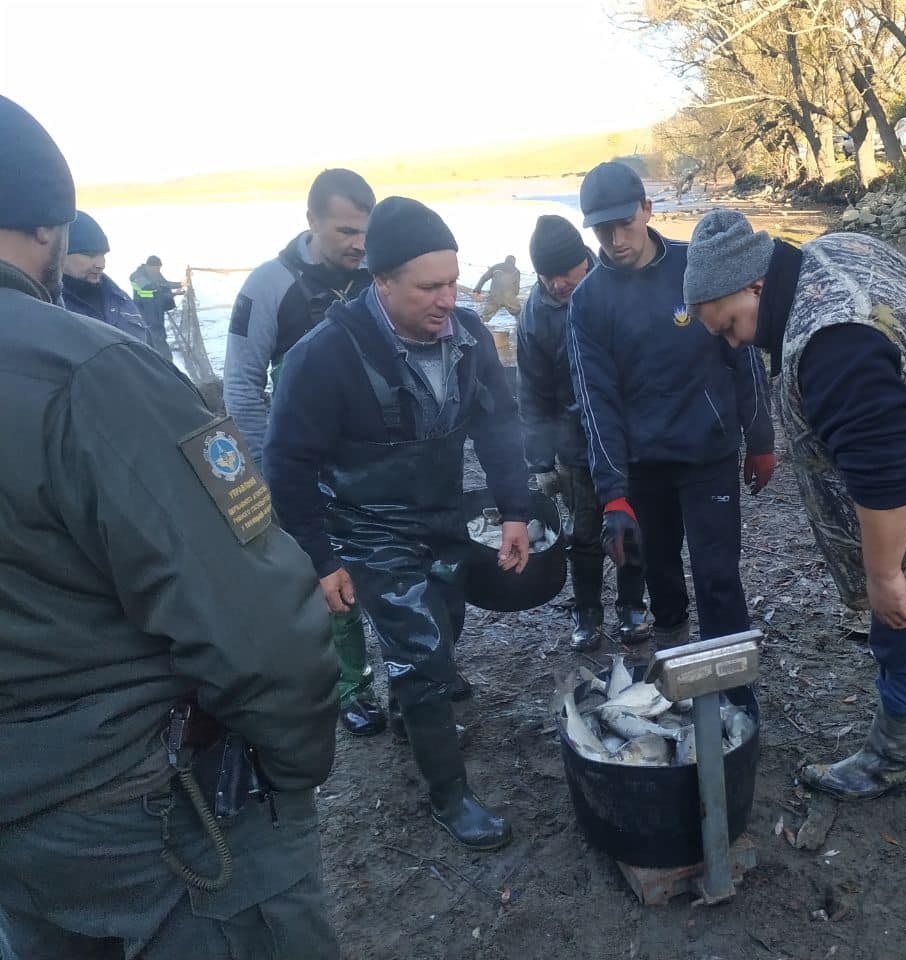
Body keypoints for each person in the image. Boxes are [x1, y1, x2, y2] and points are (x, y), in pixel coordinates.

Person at [0, 94, 341, 958]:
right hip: (150, 819)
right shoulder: (90, 375)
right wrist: (296, 772)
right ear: (48, 224)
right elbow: (257, 618)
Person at [684, 209, 906, 800]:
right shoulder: (837, 251)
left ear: (753, 285)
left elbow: (885, 471)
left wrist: (883, 575)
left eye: (728, 325)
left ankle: (891, 761)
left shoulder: (830, 338)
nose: (735, 342)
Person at [265, 197, 530, 851]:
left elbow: (498, 428)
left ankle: (413, 710)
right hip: (365, 524)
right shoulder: (323, 356)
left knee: (446, 624)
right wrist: (320, 558)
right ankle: (450, 796)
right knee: (416, 647)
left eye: (452, 282)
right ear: (381, 282)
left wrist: (517, 509)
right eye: (428, 287)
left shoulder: (467, 337)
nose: (447, 299)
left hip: (441, 513)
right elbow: (288, 464)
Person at [568, 161, 775, 650]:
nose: (616, 239)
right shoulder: (588, 301)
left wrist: (760, 437)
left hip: (710, 455)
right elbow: (596, 402)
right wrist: (612, 492)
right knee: (660, 578)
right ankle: (676, 678)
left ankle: (734, 695)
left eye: (624, 222)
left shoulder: (693, 268)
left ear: (646, 208)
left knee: (717, 576)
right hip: (644, 467)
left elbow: (742, 352)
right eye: (602, 229)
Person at [224, 168, 386, 738]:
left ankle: (416, 668)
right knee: (331, 576)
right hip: (303, 458)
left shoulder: (375, 274)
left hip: (374, 454)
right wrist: (272, 467)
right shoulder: (268, 285)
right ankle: (352, 686)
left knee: (394, 562)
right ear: (311, 219)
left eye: (365, 231)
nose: (358, 244)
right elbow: (242, 385)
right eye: (344, 230)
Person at [518, 214, 650, 651]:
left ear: (584, 260)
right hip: (573, 445)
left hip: (628, 436)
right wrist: (540, 462)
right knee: (582, 536)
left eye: (566, 272)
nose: (557, 284)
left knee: (632, 523)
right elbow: (533, 393)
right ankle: (587, 612)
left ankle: (633, 605)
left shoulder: (619, 283)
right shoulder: (534, 316)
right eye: (546, 275)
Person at [61, 210, 150, 342]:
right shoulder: (48, 307)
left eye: (103, 255)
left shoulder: (120, 299)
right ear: (61, 253)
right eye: (90, 254)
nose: (100, 264)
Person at [129, 254, 183, 361]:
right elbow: (152, 289)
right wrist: (173, 294)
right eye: (156, 268)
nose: (158, 271)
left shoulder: (155, 274)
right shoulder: (137, 277)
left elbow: (164, 283)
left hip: (157, 313)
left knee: (161, 338)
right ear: (149, 266)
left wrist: (180, 284)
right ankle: (163, 364)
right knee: (152, 341)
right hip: (145, 315)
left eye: (159, 268)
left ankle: (167, 364)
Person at [472, 254, 522, 321]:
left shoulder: (496, 267)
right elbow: (517, 289)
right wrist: (513, 296)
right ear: (514, 262)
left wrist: (477, 290)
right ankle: (521, 327)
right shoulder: (516, 271)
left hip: (495, 296)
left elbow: (484, 278)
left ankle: (478, 327)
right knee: (519, 314)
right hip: (509, 297)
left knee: (486, 315)